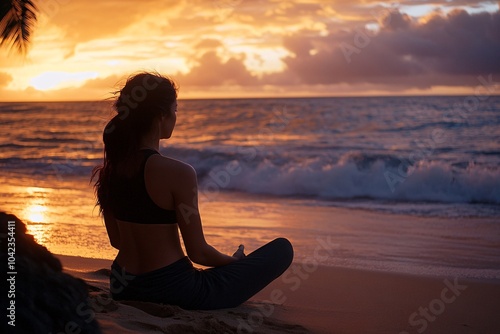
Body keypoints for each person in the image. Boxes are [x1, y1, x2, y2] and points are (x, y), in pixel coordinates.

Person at [91, 72, 293, 310]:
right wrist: (234, 263)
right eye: (175, 110)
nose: (175, 118)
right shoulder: (179, 172)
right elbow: (199, 253)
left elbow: (117, 241)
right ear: (159, 117)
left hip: (122, 286)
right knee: (282, 249)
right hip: (174, 290)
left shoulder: (110, 171)